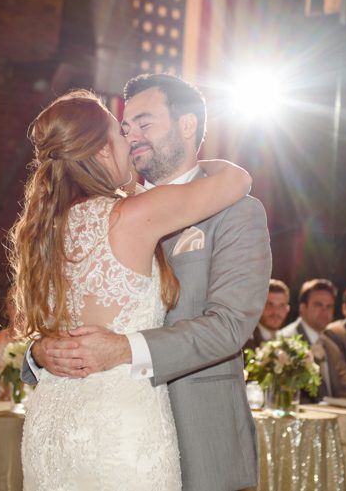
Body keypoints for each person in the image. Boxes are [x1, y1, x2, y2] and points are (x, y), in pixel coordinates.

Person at [22, 75, 270, 491]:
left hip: (197, 438)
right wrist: (38, 351)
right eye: (125, 127)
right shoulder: (104, 212)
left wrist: (123, 349)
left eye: (144, 123)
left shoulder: (236, 213)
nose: (131, 135)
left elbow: (229, 326)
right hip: (113, 433)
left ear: (187, 125)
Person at [278, 278, 339, 400]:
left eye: (329, 306)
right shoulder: (286, 340)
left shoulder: (332, 343)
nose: (324, 311)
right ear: (302, 307)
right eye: (318, 305)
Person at [243, 279, 290, 351]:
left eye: (281, 306)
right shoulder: (244, 340)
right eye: (269, 304)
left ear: (287, 309)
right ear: (258, 306)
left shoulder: (288, 342)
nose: (275, 312)